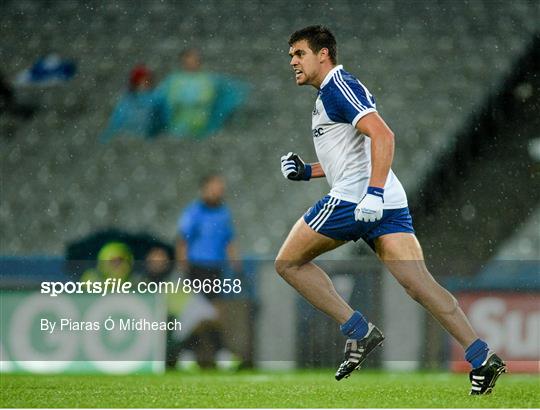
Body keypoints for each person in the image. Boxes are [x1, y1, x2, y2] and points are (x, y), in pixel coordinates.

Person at [275, 25, 505, 395]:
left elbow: (383, 135)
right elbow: (355, 154)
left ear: (323, 54)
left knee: (288, 263)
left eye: (299, 54)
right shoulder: (332, 92)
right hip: (382, 199)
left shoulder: (337, 87)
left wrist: (373, 193)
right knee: (419, 284)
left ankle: (359, 331)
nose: (292, 62)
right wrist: (308, 171)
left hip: (357, 198)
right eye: (290, 56)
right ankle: (482, 357)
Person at [176, 173, 247, 367]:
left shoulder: (223, 213)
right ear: (205, 188)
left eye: (220, 187)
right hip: (197, 268)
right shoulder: (193, 212)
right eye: (215, 186)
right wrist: (184, 268)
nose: (219, 190)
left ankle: (187, 353)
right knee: (211, 312)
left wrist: (235, 262)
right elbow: (182, 241)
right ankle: (218, 353)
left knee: (205, 314)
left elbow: (228, 240)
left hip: (216, 268)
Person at [158, 48, 249, 139]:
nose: (191, 64)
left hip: (200, 122)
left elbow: (207, 98)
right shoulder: (175, 79)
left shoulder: (206, 79)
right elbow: (169, 98)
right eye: (188, 61)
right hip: (178, 121)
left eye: (194, 60)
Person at [100, 65, 166, 142]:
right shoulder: (127, 100)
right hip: (128, 139)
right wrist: (106, 138)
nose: (144, 83)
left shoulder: (157, 98)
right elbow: (117, 121)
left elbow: (163, 120)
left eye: (147, 80)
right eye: (142, 80)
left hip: (149, 139)